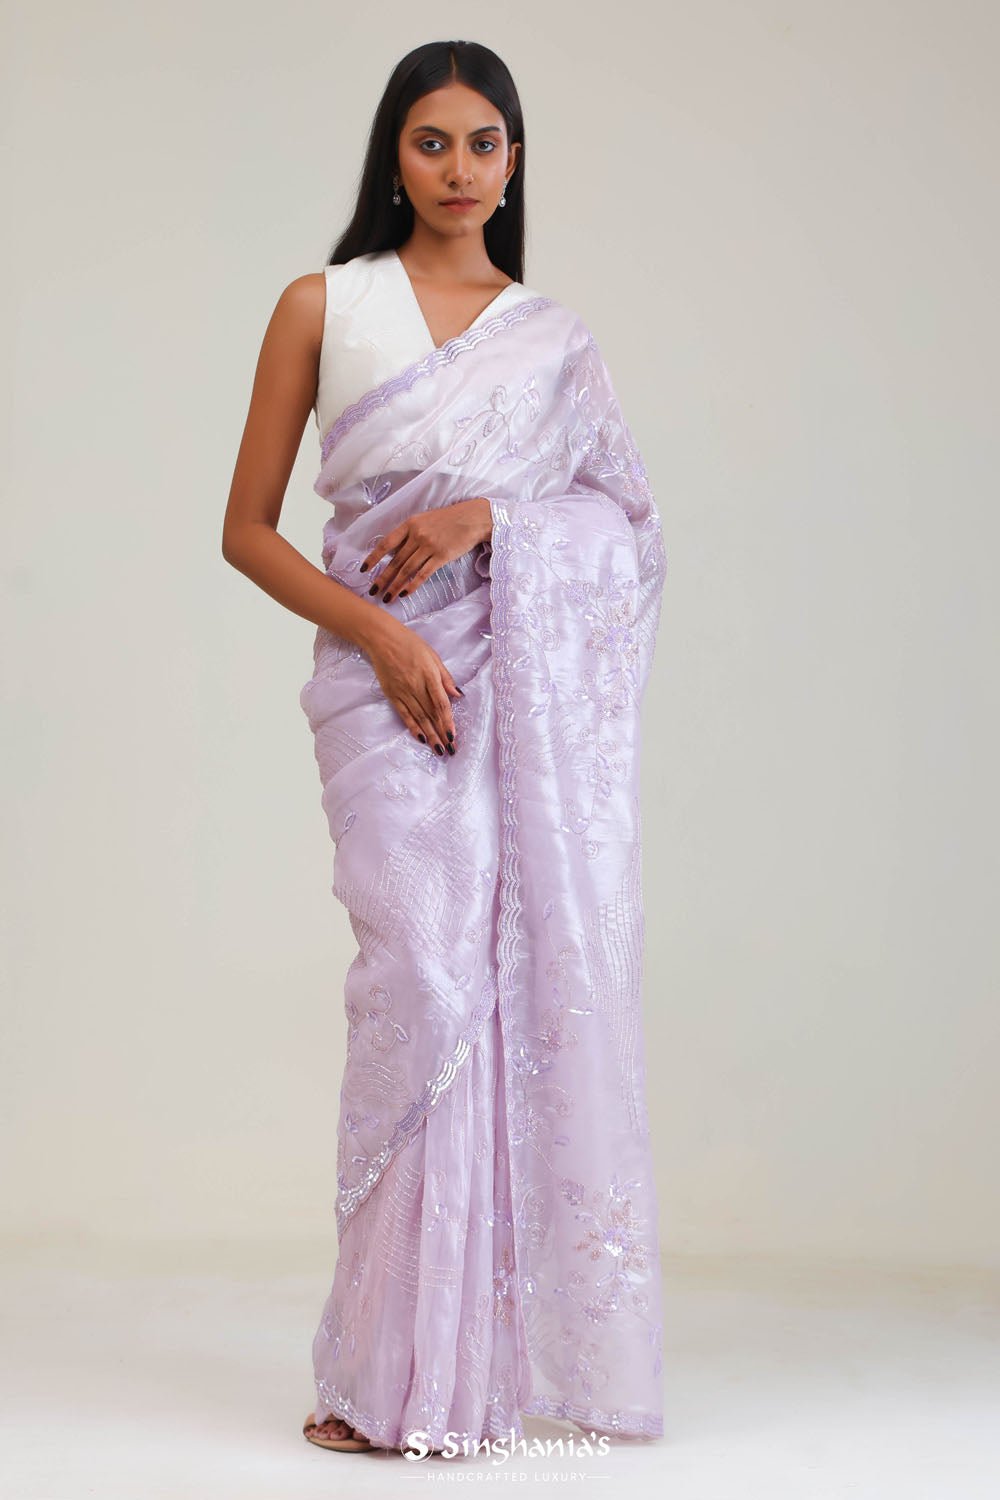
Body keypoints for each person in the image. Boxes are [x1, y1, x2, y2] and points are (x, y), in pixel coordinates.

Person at [221, 38, 668, 1459]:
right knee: (416, 983)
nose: (460, 169)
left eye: (484, 144)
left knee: (494, 984)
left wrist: (493, 521)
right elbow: (246, 531)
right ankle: (384, 1372)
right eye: (432, 142)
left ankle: (469, 1376)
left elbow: (631, 528)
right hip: (383, 692)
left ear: (514, 163)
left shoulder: (552, 340)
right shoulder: (324, 304)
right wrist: (380, 638)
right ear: (394, 155)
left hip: (509, 690)